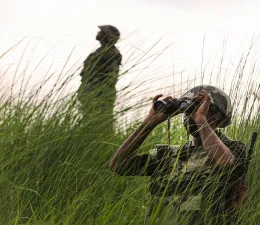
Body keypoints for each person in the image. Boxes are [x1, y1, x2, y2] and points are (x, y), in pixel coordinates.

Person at [109, 85, 247, 225]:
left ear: (218, 116)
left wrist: (201, 120)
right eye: (188, 108)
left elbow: (228, 165)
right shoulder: (167, 155)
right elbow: (119, 165)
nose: (190, 114)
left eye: (198, 107)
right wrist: (149, 122)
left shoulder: (233, 149)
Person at [78, 25, 122, 133]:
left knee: (101, 121)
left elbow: (111, 77)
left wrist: (100, 92)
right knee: (88, 119)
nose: (98, 33)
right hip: (91, 90)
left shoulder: (112, 54)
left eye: (101, 32)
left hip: (99, 92)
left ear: (106, 36)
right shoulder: (101, 51)